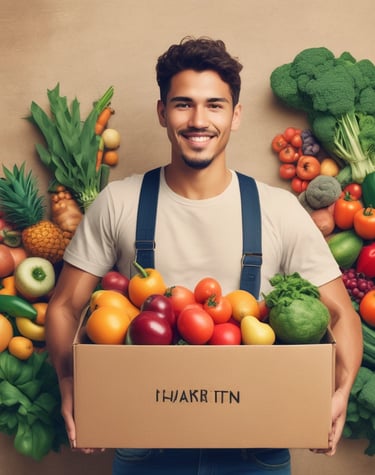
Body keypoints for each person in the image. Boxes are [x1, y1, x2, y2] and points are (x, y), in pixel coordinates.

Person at [46, 37, 363, 474]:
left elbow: (341, 316)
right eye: (183, 104)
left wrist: (339, 392)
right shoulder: (120, 202)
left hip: (256, 448)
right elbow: (64, 306)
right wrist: (69, 381)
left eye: (215, 105)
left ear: (235, 116)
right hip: (144, 446)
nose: (199, 120)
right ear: (162, 112)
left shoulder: (278, 209)